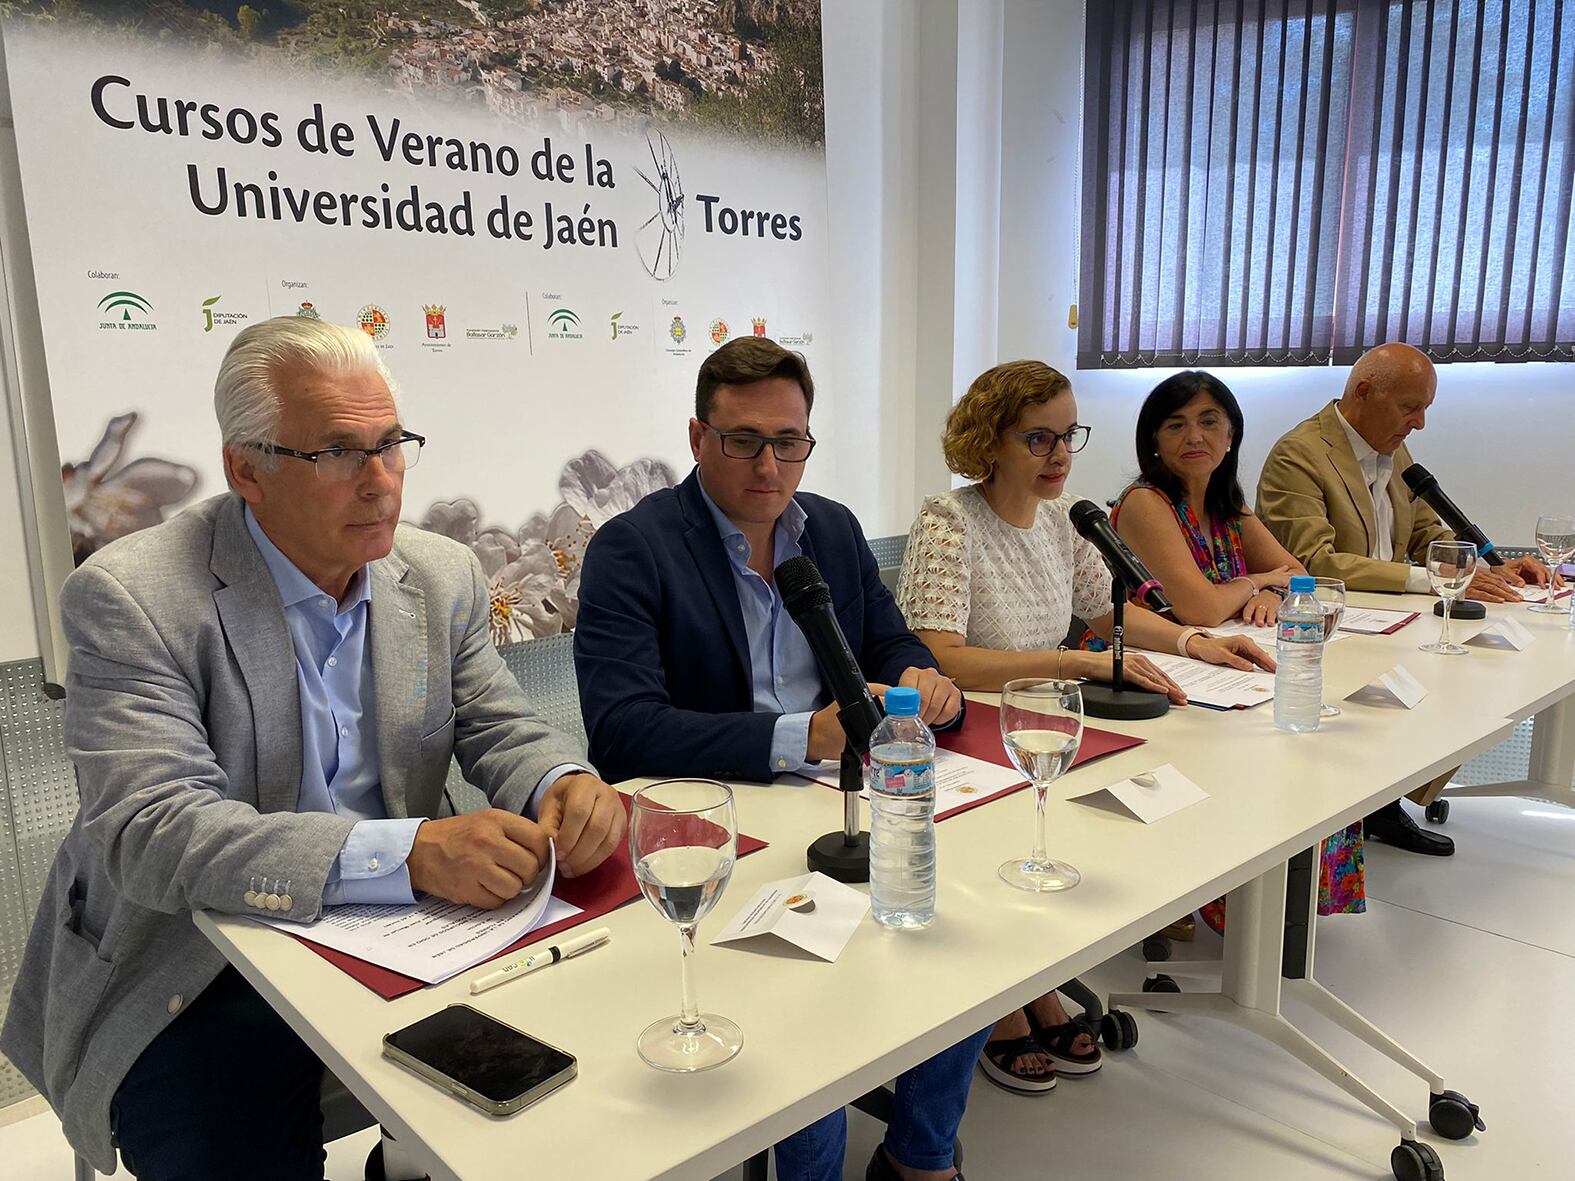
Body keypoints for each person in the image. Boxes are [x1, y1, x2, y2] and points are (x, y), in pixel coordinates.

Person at [0, 318, 623, 1181]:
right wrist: (409, 853)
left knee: (555, 1097)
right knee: (234, 1151)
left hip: (407, 930)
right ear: (245, 469)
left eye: (390, 445)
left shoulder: (439, 574)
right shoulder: (132, 595)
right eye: (337, 453)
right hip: (196, 957)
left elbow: (496, 723)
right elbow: (153, 830)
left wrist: (560, 778)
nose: (380, 481)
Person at [575, 336, 978, 1181]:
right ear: (697, 437)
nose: (769, 465)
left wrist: (920, 676)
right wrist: (803, 735)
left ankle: (918, 1154)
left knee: (966, 943)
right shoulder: (632, 546)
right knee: (807, 1028)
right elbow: (622, 731)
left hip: (844, 804)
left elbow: (889, 639)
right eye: (743, 441)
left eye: (788, 441)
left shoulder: (829, 526)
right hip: (722, 829)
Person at [895, 359, 1273, 1096]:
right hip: (966, 731)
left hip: (1042, 723)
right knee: (1028, 838)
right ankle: (1002, 1002)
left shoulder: (1063, 517)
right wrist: (1075, 660)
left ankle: (1034, 981)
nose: (1060, 454)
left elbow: (1110, 613)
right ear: (989, 441)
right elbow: (940, 657)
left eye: (1069, 435)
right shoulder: (949, 520)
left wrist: (1195, 642)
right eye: (1038, 438)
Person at [1256, 342, 1549, 855]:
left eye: (1425, 409)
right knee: (1426, 680)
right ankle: (1359, 808)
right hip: (1329, 627)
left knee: (1469, 677)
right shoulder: (1298, 454)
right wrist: (1426, 579)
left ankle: (1387, 801)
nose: (1419, 424)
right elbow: (1313, 562)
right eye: (1410, 407)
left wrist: (1487, 568)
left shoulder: (1394, 450)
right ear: (1363, 392)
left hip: (1394, 619)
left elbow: (1427, 535)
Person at [1112, 371, 1364, 933]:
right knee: (1261, 749)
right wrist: (1257, 582)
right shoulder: (1146, 503)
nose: (1193, 436)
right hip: (1152, 661)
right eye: (1175, 424)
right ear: (1153, 440)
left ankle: (1272, 897)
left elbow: (1297, 574)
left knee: (1303, 746)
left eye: (1209, 422)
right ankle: (1204, 890)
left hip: (1217, 663)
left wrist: (1270, 591)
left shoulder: (1231, 508)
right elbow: (1198, 607)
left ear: (1231, 436)